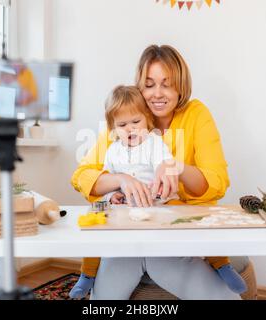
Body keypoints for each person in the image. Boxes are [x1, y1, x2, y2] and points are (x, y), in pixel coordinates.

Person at [71, 45, 245, 300]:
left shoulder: (196, 114)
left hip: (174, 234)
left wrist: (177, 167)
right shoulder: (126, 119)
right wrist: (120, 180)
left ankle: (219, 265)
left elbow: (216, 182)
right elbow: (82, 176)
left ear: (180, 87)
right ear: (139, 87)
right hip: (128, 235)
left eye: (167, 84)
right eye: (149, 84)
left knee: (163, 260)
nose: (158, 94)